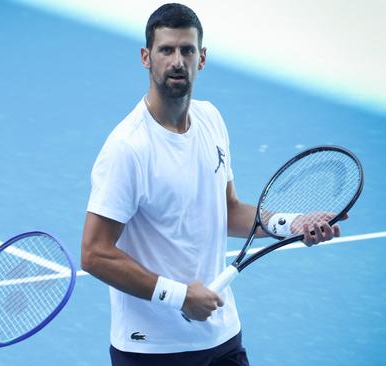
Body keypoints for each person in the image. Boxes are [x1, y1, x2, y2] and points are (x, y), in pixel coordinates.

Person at [81, 4, 344, 366]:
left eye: (187, 50)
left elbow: (230, 210)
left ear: (201, 58)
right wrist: (178, 296)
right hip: (153, 349)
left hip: (221, 336)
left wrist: (290, 223)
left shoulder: (211, 119)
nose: (177, 61)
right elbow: (95, 253)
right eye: (166, 50)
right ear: (146, 57)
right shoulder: (128, 148)